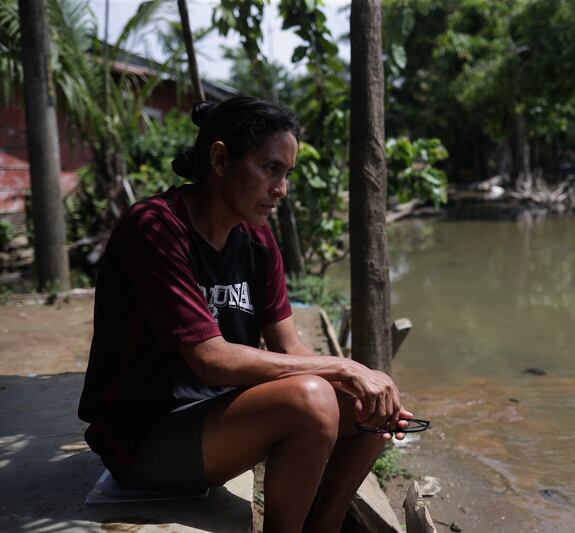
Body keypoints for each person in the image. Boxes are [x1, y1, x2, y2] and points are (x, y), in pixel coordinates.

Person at [78, 96, 412, 533]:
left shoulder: (255, 239)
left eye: (286, 174)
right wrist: (342, 367)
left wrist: (359, 385)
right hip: (145, 440)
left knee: (374, 406)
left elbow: (289, 344)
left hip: (216, 420)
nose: (282, 189)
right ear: (220, 159)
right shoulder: (155, 228)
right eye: (270, 169)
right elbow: (212, 361)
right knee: (311, 400)